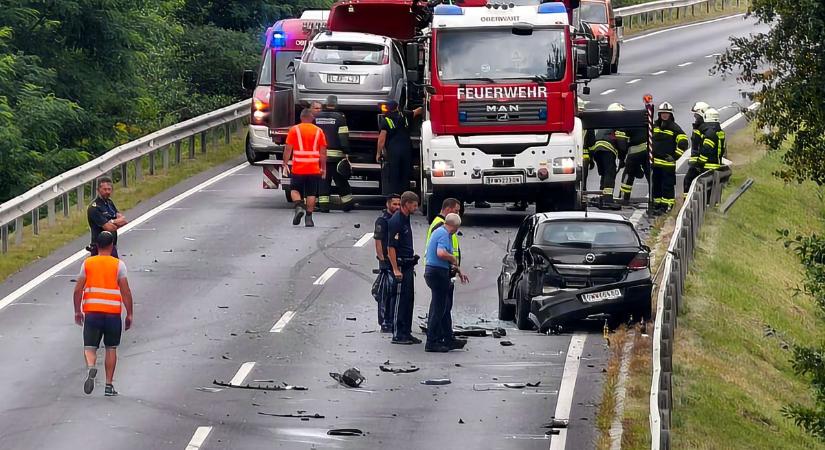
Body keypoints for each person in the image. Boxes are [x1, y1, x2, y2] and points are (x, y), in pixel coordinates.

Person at [73, 231, 133, 396]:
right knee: (111, 348)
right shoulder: (118, 265)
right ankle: (108, 385)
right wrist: (129, 314)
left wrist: (77, 310)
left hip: (92, 312)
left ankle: (91, 367)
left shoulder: (88, 264)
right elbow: (126, 291)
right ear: (112, 245)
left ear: (97, 246)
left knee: (90, 347)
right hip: (112, 313)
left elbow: (78, 289)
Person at [424, 213, 469, 352]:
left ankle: (447, 338)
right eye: (457, 227)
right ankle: (432, 342)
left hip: (437, 272)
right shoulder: (443, 233)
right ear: (454, 226)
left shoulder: (444, 233)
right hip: (437, 273)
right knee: (439, 309)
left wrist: (459, 271)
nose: (457, 230)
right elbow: (441, 253)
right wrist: (453, 259)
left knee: (443, 307)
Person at [283, 108, 327, 227]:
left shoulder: (294, 130)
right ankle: (309, 218)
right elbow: (323, 153)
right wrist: (323, 168)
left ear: (301, 118)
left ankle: (299, 207)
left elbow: (288, 149)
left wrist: (285, 163)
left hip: (298, 168)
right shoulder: (319, 131)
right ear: (312, 118)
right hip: (313, 168)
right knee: (311, 193)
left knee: (295, 190)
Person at [387, 191, 421, 345]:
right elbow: (391, 248)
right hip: (400, 265)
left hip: (408, 264)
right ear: (406, 204)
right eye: (414, 205)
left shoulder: (406, 218)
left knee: (408, 300)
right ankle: (398, 334)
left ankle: (406, 332)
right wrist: (395, 269)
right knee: (400, 300)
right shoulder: (396, 221)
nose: (416, 207)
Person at [315, 95, 354, 212]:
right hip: (336, 156)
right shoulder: (340, 118)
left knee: (323, 180)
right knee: (341, 180)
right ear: (336, 104)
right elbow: (343, 136)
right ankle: (347, 205)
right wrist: (346, 151)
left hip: (320, 155)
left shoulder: (316, 117)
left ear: (325, 103)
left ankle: (323, 206)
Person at [376, 101, 423, 196]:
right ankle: (405, 197)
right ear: (397, 107)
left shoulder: (386, 120)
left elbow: (382, 139)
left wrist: (378, 153)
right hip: (406, 149)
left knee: (394, 174)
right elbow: (419, 111)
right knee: (405, 174)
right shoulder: (405, 115)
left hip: (393, 150)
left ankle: (394, 197)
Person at [651, 102, 689, 213]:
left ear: (670, 115)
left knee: (667, 186)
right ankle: (656, 205)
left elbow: (683, 142)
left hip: (667, 164)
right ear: (659, 114)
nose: (664, 115)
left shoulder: (674, 128)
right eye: (663, 113)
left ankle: (667, 207)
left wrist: (675, 156)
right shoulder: (655, 126)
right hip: (656, 163)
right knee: (656, 185)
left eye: (667, 114)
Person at [590, 103, 630, 208]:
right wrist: (622, 158)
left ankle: (602, 196)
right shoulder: (618, 123)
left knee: (604, 174)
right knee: (610, 173)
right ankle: (608, 199)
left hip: (597, 150)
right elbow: (622, 144)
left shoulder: (605, 122)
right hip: (607, 150)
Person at [372, 193, 401, 333]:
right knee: (385, 292)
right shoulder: (382, 221)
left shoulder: (398, 219)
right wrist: (382, 261)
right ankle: (384, 321)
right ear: (388, 204)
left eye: (399, 204)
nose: (397, 207)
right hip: (386, 260)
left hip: (396, 259)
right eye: (394, 204)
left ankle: (393, 319)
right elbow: (378, 242)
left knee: (396, 292)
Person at [87, 177, 128, 258]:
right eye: (104, 189)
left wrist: (111, 222)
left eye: (109, 189)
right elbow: (109, 228)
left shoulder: (109, 202)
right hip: (99, 248)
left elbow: (123, 221)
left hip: (112, 246)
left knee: (114, 269)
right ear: (98, 190)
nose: (107, 192)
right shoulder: (94, 207)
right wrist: (114, 222)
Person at [619, 122, 650, 205]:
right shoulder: (645, 123)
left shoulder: (624, 125)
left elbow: (622, 145)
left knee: (628, 174)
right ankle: (654, 199)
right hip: (647, 152)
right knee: (650, 175)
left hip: (634, 154)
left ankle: (624, 197)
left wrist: (622, 159)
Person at [424, 197, 461, 266]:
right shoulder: (441, 226)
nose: (458, 214)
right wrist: (452, 259)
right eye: (456, 211)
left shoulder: (446, 223)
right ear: (448, 209)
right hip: (439, 266)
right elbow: (440, 251)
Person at [684, 101, 710, 193]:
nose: (695, 118)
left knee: (688, 181)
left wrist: (698, 164)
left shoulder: (707, 130)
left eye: (697, 115)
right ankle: (686, 203)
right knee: (687, 181)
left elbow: (705, 148)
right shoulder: (699, 128)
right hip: (698, 164)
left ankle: (687, 203)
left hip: (704, 165)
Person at [697, 108, 726, 172]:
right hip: (717, 163)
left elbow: (706, 148)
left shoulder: (710, 132)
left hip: (708, 166)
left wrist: (700, 163)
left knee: (689, 179)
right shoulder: (719, 131)